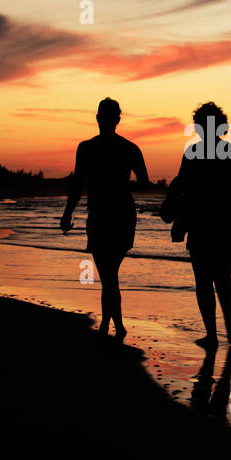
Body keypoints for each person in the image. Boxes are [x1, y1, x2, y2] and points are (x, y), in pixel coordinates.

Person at [166, 101, 231, 349]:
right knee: (223, 277)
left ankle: (212, 335)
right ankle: (228, 325)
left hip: (203, 222)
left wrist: (177, 221)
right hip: (228, 221)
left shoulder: (192, 154)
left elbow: (183, 191)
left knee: (204, 280)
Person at [61, 98, 148, 340]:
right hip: (121, 213)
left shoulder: (86, 148)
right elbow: (144, 182)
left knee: (108, 274)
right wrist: (121, 184)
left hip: (101, 214)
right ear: (117, 120)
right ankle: (111, 324)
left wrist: (68, 213)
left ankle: (115, 326)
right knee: (110, 274)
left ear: (98, 118)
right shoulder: (130, 148)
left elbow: (78, 184)